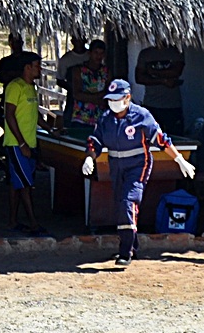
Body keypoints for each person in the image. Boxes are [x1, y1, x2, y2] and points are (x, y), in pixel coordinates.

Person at [82, 79, 196, 266]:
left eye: (117, 99)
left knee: (129, 201)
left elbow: (161, 139)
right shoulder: (105, 118)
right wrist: (89, 158)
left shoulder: (141, 116)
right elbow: (95, 141)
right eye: (110, 100)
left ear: (127, 98)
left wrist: (179, 159)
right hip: (116, 165)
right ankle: (133, 245)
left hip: (138, 165)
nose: (113, 103)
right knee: (120, 205)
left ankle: (125, 252)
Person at [1, 53, 45, 236]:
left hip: (30, 143)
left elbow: (35, 115)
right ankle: (33, 222)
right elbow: (9, 115)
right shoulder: (15, 87)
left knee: (17, 182)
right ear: (27, 67)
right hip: (16, 145)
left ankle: (12, 221)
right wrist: (21, 144)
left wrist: (50, 129)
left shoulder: (31, 87)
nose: (40, 69)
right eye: (37, 66)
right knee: (26, 184)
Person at [134, 43, 186, 130]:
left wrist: (152, 72)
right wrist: (163, 81)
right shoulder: (146, 54)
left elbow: (176, 72)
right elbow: (139, 78)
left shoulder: (176, 51)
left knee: (174, 133)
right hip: (151, 103)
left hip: (172, 105)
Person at [66, 39, 110, 127]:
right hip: (81, 117)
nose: (98, 56)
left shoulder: (106, 72)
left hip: (100, 118)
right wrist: (98, 98)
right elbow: (77, 94)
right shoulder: (78, 70)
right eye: (96, 52)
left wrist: (87, 97)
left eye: (101, 53)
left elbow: (108, 94)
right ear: (89, 53)